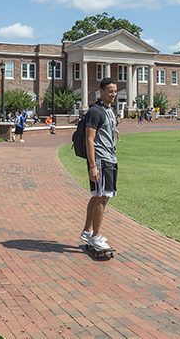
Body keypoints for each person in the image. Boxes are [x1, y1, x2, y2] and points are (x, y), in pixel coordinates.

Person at [80, 78, 119, 252]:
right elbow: (89, 138)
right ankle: (96, 236)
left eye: (115, 91)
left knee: (98, 196)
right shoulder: (95, 111)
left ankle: (88, 232)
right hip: (101, 161)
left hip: (110, 158)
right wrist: (92, 165)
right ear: (101, 91)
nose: (113, 95)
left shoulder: (109, 110)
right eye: (110, 91)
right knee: (102, 197)